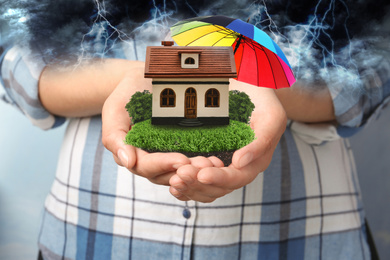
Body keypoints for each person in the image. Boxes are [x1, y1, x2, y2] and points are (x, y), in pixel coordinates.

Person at [1, 1, 389, 259]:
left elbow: (375, 75)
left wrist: (269, 90)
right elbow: (15, 61)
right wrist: (140, 74)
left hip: (303, 237)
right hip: (92, 232)